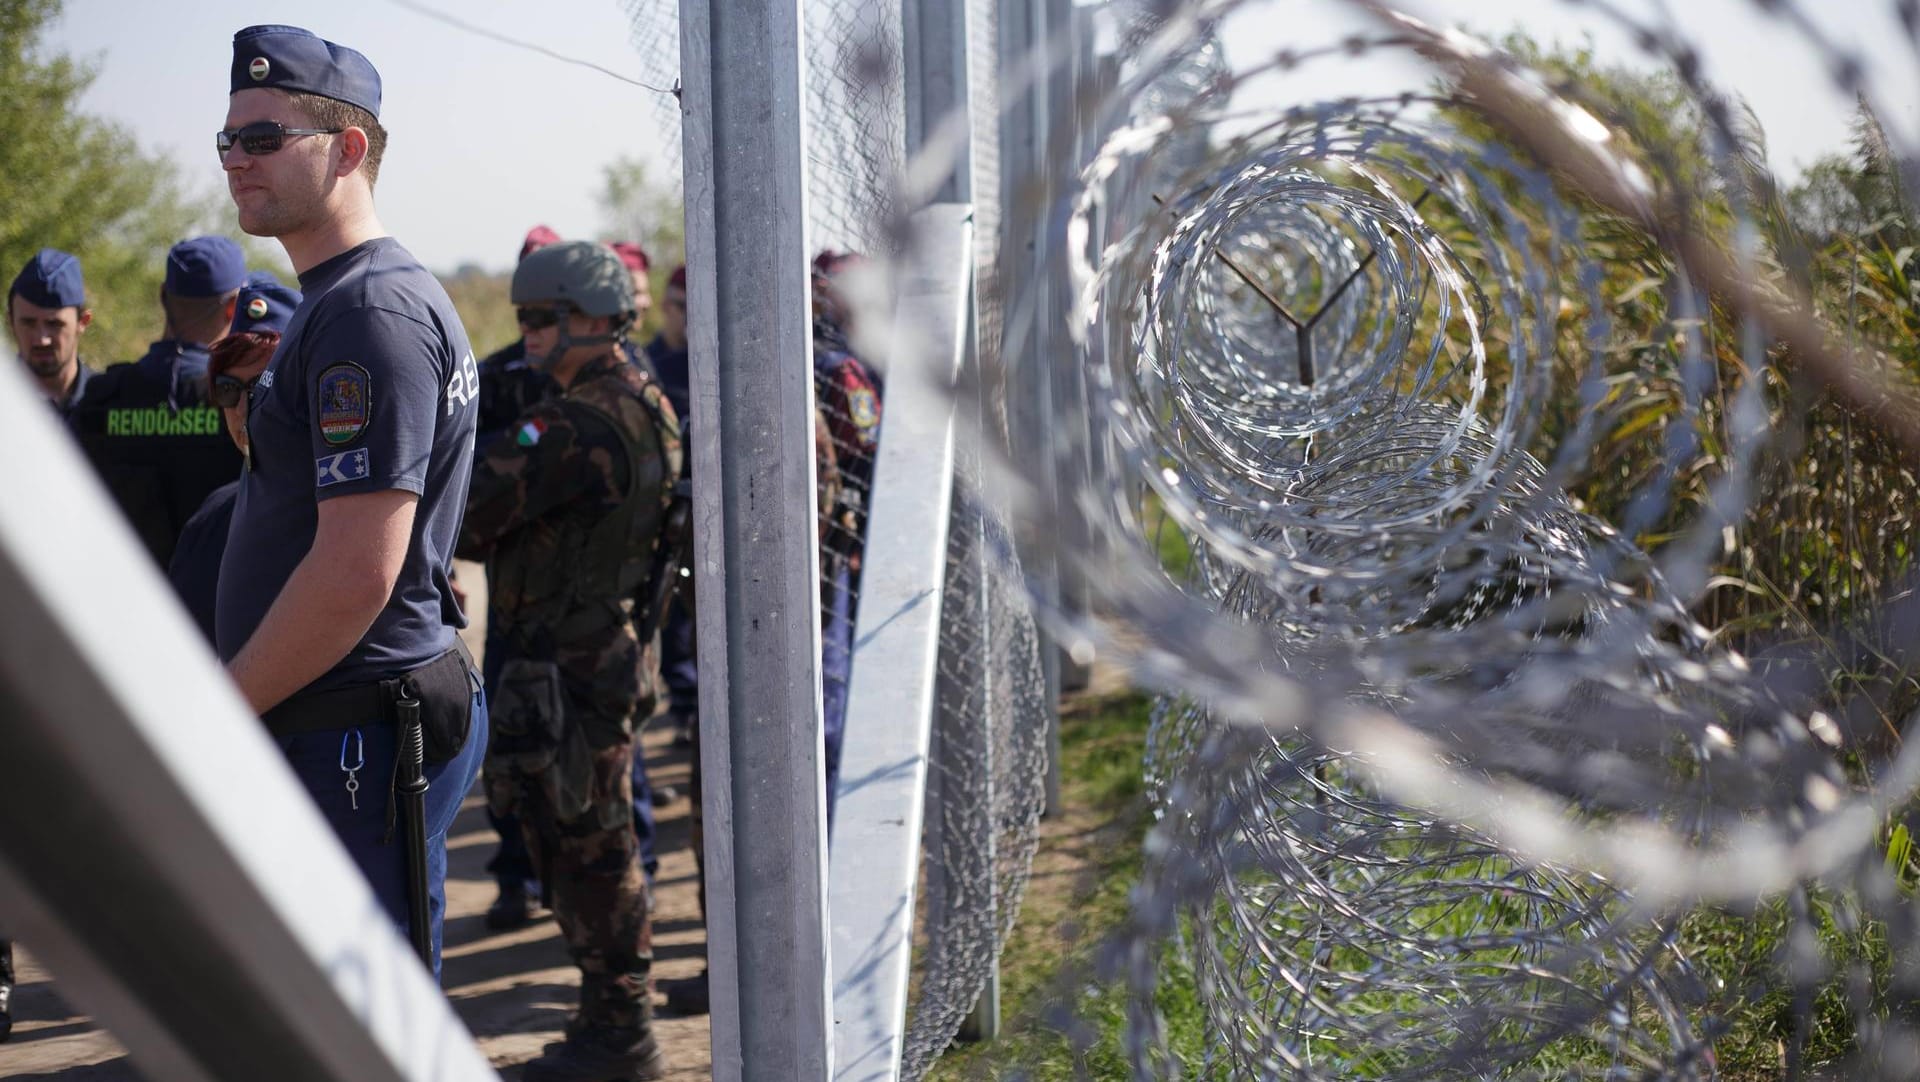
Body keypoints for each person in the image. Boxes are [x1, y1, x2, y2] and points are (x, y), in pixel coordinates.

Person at [214, 23, 485, 977]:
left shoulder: (370, 311)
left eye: (265, 137)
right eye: (229, 140)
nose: (237, 160)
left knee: (363, 1023)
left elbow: (355, 571)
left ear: (349, 148)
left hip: (359, 725)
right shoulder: (344, 298)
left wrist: (218, 711)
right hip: (343, 715)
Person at [458, 240, 679, 1080]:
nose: (529, 338)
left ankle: (622, 1035)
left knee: (591, 847)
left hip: (572, 664)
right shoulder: (640, 398)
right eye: (523, 321)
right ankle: (607, 1024)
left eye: (540, 321)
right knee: (585, 839)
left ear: (590, 318)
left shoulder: (577, 420)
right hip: (595, 654)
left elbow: (472, 514)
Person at [68, 236, 249, 568]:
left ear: (164, 297)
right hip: (213, 604)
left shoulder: (102, 398)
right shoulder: (240, 404)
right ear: (234, 307)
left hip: (116, 597)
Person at [167, 277, 301, 644]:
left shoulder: (349, 514)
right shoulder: (212, 517)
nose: (243, 408)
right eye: (228, 389)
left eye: (261, 386)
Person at [8, 248, 95, 415]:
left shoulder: (109, 407)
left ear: (82, 322)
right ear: (11, 321)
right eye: (28, 323)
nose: (41, 339)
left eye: (54, 324)